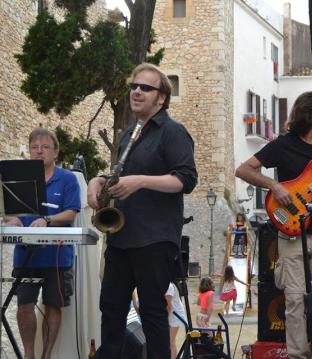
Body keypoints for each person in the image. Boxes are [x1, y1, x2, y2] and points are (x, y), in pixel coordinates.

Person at [235, 91, 312, 358]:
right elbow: (243, 170)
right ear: (311, 114)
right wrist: (274, 186)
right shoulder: (282, 145)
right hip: (291, 233)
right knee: (293, 302)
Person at [87, 63, 197, 359]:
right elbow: (118, 176)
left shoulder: (173, 132)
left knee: (152, 315)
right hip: (121, 238)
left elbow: (187, 180)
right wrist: (98, 181)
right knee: (110, 311)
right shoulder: (128, 134)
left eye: (145, 88)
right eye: (134, 86)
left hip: (154, 238)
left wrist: (140, 182)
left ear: (161, 98)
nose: (136, 91)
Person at [3, 128, 81, 359]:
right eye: (34, 147)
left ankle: (46, 355)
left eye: (45, 147)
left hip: (57, 254)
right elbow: (9, 211)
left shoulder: (67, 178)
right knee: (24, 305)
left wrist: (47, 220)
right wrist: (12, 218)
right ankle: (29, 355)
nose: (39, 151)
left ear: (55, 152)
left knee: (52, 305)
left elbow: (71, 213)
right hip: (26, 254)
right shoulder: (18, 178)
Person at [166, 282, 186, 359]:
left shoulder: (169, 286)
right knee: (170, 341)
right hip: (173, 315)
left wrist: (165, 319)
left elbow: (169, 306)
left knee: (171, 341)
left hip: (176, 316)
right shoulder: (170, 284)